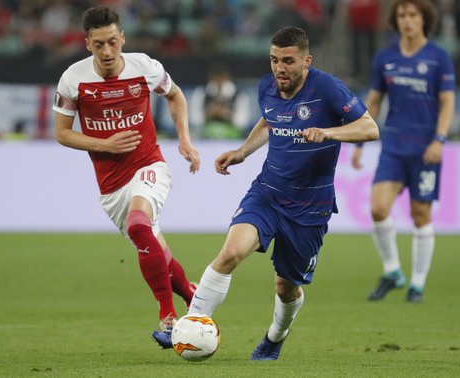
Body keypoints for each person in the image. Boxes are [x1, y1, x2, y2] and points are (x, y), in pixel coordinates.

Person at [152, 26, 379, 359]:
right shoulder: (267, 87)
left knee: (286, 287)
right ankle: (188, 326)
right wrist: (243, 152)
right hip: (268, 194)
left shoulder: (328, 88)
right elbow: (270, 120)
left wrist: (329, 133)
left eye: (287, 61)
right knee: (230, 253)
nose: (279, 68)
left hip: (309, 208)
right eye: (274, 60)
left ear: (306, 61)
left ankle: (275, 336)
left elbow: (370, 128)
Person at [52, 6, 200, 343]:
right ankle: (194, 299)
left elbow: (175, 96)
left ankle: (168, 318)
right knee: (158, 252)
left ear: (122, 38)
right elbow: (62, 133)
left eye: (112, 42)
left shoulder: (145, 67)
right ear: (87, 44)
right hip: (111, 186)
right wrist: (104, 143)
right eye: (99, 44)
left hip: (149, 165)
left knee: (138, 224)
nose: (107, 51)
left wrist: (184, 140)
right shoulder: (73, 79)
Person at [351, 0, 456, 303]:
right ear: (395, 21)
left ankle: (417, 285)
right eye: (401, 15)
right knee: (377, 208)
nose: (407, 21)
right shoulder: (386, 57)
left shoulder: (439, 57)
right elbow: (374, 100)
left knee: (420, 213)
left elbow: (447, 102)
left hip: (425, 149)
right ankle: (393, 271)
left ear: (424, 20)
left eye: (413, 15)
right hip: (394, 146)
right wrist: (359, 141)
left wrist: (439, 139)